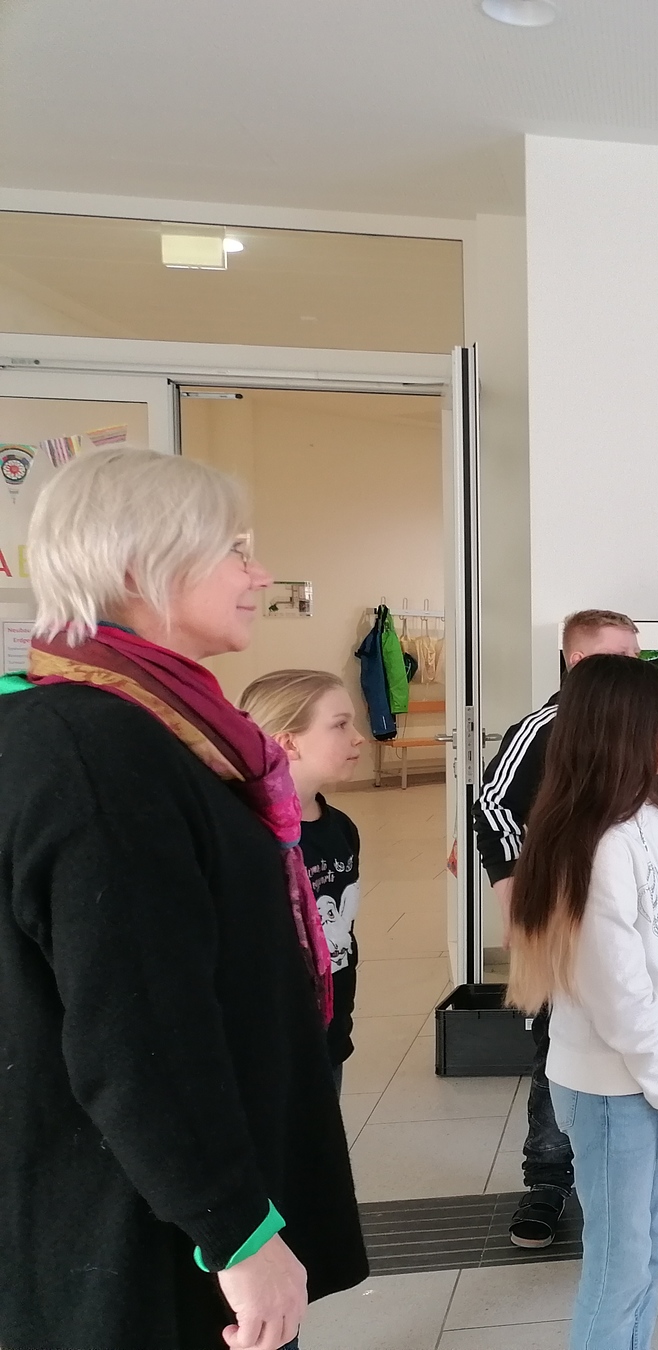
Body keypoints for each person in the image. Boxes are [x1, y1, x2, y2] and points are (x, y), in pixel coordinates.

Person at [0, 449, 365, 1350]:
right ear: (139, 568)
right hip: (141, 1235)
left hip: (145, 1202)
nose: (259, 575)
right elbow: (138, 1026)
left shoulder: (141, 725)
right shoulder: (99, 751)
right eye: (234, 550)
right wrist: (236, 1231)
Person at [474, 609, 658, 1250]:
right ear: (581, 664)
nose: (637, 669)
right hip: (579, 935)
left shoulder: (649, 763)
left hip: (648, 917)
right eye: (622, 658)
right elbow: (493, 811)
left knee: (651, 1030)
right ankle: (548, 1178)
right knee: (569, 1045)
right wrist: (516, 902)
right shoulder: (544, 731)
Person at [506, 654, 658, 1350]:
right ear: (624, 728)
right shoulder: (596, 843)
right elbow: (623, 1000)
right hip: (609, 1090)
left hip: (649, 1080)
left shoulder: (648, 819)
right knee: (620, 1264)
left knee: (648, 1254)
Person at [240, 669, 369, 1095]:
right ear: (288, 742)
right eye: (340, 725)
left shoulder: (342, 828)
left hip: (330, 1032)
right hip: (271, 1042)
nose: (358, 738)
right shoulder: (249, 836)